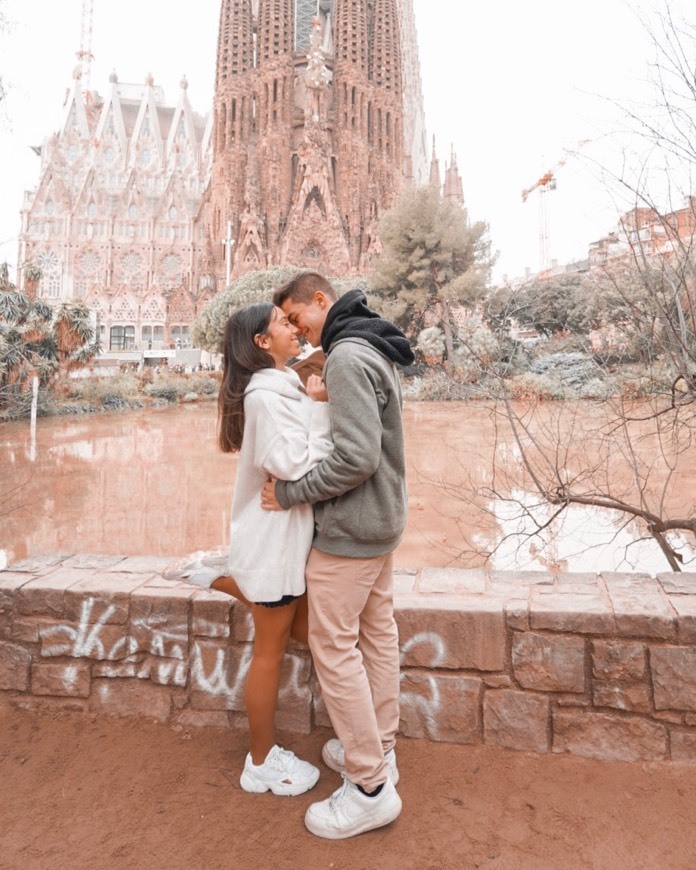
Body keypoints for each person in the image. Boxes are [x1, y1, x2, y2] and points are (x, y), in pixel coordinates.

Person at [262, 271, 415, 840]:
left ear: (320, 301)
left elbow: (354, 459)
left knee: (334, 647)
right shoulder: (371, 342)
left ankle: (370, 786)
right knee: (377, 637)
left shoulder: (348, 356)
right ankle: (382, 749)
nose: (299, 334)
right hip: (382, 523)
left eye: (299, 320)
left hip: (351, 531)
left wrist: (288, 493)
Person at [164, 302, 332, 797]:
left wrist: (308, 378)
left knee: (306, 631)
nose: (293, 328)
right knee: (271, 650)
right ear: (262, 342)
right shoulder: (266, 396)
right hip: (275, 544)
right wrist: (320, 410)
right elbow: (289, 464)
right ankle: (260, 761)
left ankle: (217, 575)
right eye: (283, 323)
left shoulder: (278, 385)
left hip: (279, 540)